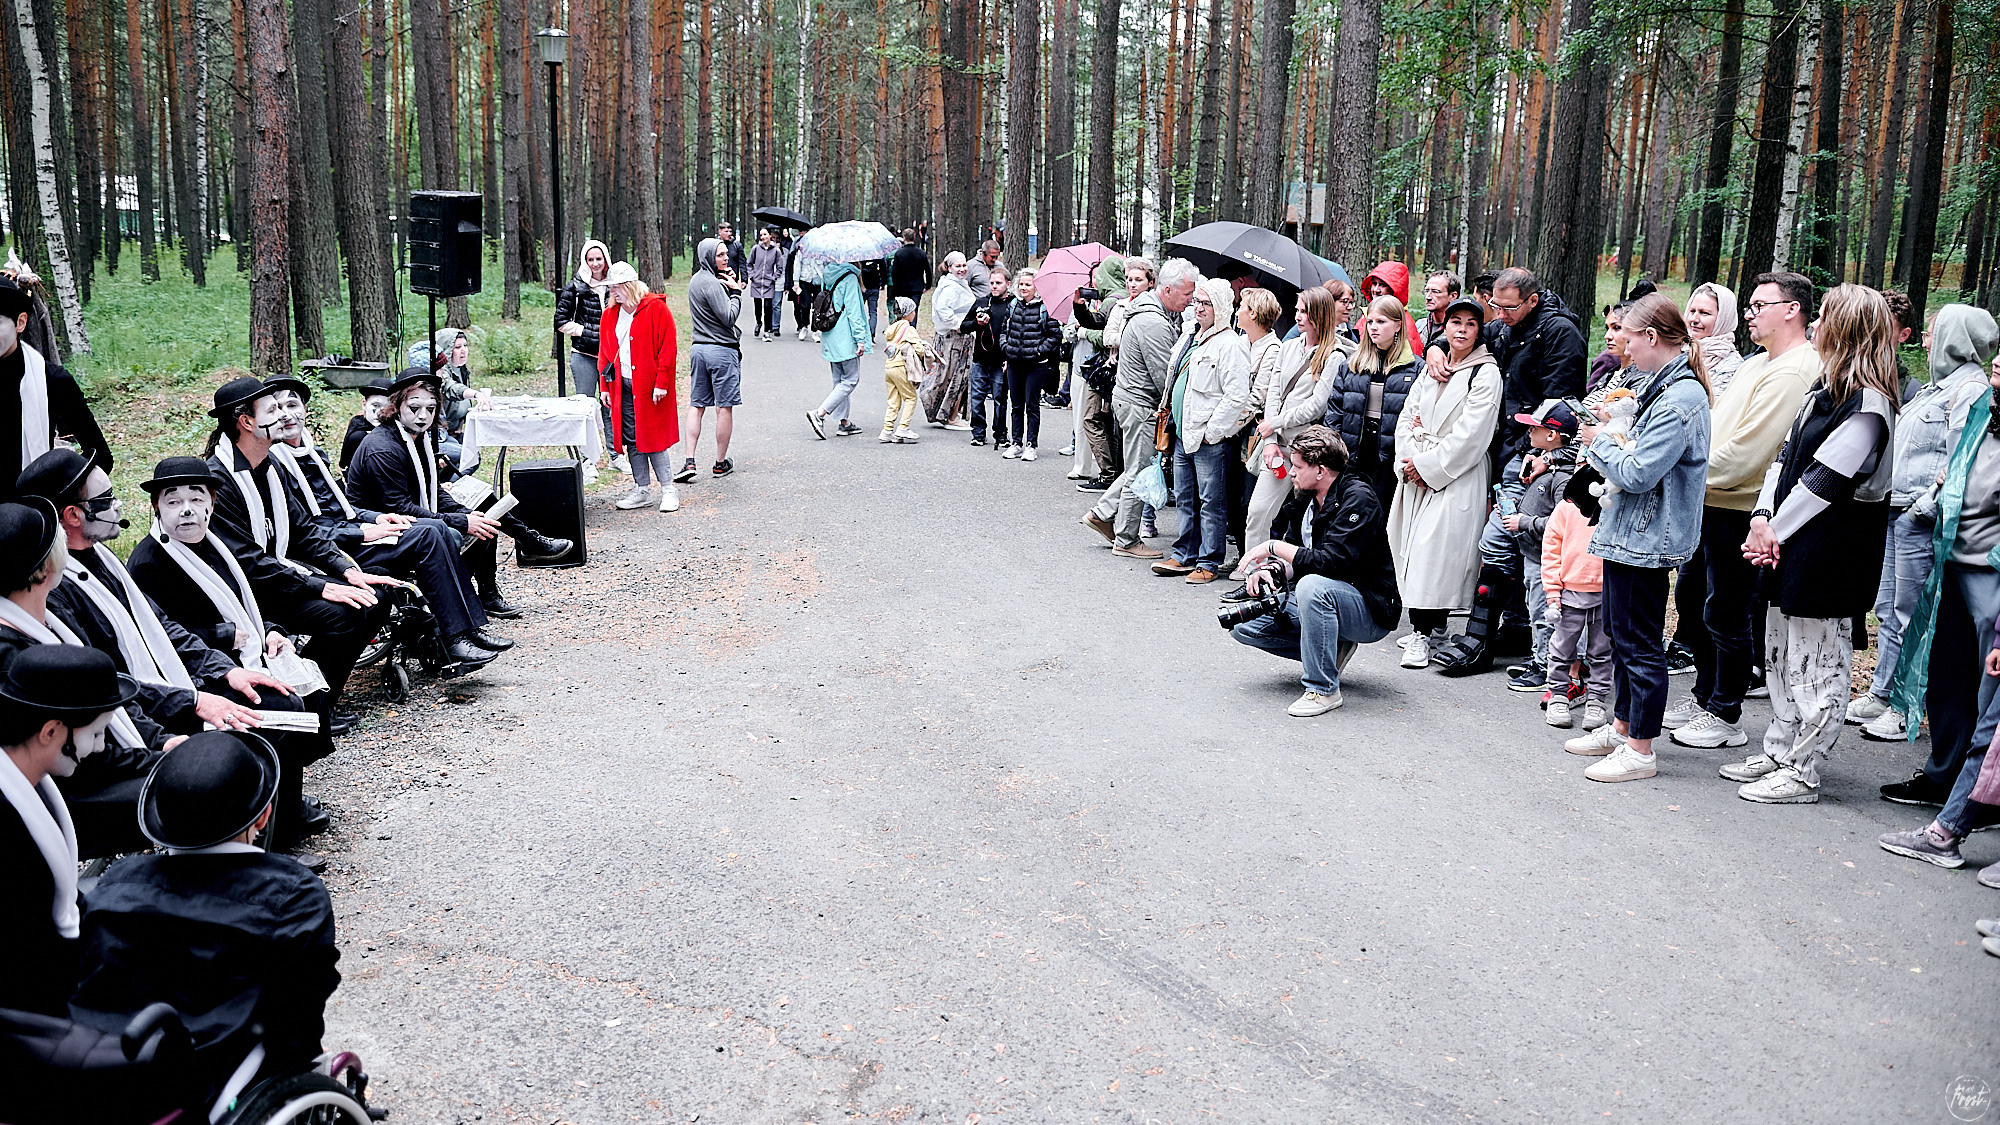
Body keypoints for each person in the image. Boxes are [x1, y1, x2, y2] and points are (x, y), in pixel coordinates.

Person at [69, 730, 340, 1100]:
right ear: (262, 817)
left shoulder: (117, 881)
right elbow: (300, 1003)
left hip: (107, 1060)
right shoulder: (294, 894)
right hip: (213, 1067)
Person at [1729, 285, 1900, 803]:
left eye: (1825, 316)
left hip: (1832, 552)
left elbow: (1826, 479)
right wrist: (1762, 517)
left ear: (1848, 329)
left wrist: (1771, 529)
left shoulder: (1869, 405)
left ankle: (1804, 767)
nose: (1817, 324)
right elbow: (1783, 462)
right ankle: (1781, 746)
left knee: (1818, 659)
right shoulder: (1820, 392)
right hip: (1788, 542)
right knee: (1780, 650)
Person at [1561, 294, 1712, 782]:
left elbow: (1641, 471)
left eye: (1627, 335)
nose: (1621, 345)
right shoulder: (1659, 387)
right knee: (1623, 635)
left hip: (1648, 536)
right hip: (1631, 530)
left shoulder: (1680, 398)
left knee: (1640, 641)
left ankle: (1641, 749)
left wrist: (1597, 441)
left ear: (1650, 337)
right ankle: (1623, 727)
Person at [1667, 272, 1819, 752]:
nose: (1750, 314)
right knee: (1696, 602)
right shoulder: (1759, 363)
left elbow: (1749, 453)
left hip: (1742, 509)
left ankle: (1725, 711)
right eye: (1749, 305)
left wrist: (1681, 473)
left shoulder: (1796, 370)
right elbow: (1714, 429)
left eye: (1760, 305)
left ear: (1792, 309)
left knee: (1727, 612)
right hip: (1710, 501)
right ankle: (1704, 695)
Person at [254, 382, 508, 665]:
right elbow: (303, 531)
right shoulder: (274, 463)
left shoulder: (312, 452)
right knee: (429, 535)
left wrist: (374, 518)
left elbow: (342, 507)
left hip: (349, 530)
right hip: (330, 548)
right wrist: (363, 532)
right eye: (278, 409)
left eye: (293, 406)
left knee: (435, 529)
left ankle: (466, 630)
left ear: (305, 411)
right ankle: (454, 638)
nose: (287, 415)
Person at [0, 497, 186, 863]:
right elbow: (72, 758)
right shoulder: (12, 656)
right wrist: (156, 758)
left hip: (92, 760)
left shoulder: (50, 619)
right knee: (195, 788)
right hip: (63, 791)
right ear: (43, 572)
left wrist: (161, 742)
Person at [197, 376, 393, 722]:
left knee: (374, 597)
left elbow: (303, 530)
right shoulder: (219, 480)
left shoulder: (270, 466)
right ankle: (311, 706)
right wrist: (322, 585)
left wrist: (346, 569)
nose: (283, 417)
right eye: (272, 410)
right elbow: (247, 562)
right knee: (344, 616)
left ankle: (322, 694)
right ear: (246, 422)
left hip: (280, 577)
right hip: (247, 593)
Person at [1850, 306, 1999, 743]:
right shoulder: (1935, 388)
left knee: (1913, 613)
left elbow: (1961, 462)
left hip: (1922, 520)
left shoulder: (1969, 390)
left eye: (1934, 333)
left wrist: (1924, 508)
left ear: (1955, 338)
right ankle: (1882, 691)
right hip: (1897, 513)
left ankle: (1904, 706)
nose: (1926, 340)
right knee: (1888, 608)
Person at [346, 371, 574, 605]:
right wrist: (462, 521)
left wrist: (465, 514)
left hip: (409, 512)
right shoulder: (384, 448)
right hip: (380, 525)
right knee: (463, 528)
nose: (423, 416)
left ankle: (498, 578)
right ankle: (460, 601)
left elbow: (432, 491)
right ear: (396, 405)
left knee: (483, 510)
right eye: (414, 408)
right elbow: (400, 508)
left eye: (430, 409)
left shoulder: (416, 437)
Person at [1228, 426, 1402, 717]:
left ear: (1320, 471)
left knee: (1311, 586)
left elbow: (1332, 562)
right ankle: (1329, 650)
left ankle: (1323, 689)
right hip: (1324, 598)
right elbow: (1295, 550)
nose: (1291, 472)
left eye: (1297, 466)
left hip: (1370, 608)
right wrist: (1271, 571)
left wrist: (1272, 547)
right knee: (1244, 625)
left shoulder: (1359, 498)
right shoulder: (1305, 497)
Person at [0, 644, 135, 1016]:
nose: (100, 747)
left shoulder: (26, 777)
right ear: (50, 731)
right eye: (96, 733)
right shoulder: (7, 825)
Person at [1386, 296, 1502, 669]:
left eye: (1471, 324)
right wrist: (1409, 458)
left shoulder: (1485, 374)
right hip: (1416, 465)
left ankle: (1423, 633)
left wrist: (1430, 465)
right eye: (1456, 323)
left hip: (1455, 474)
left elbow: (1472, 434)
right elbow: (1408, 414)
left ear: (1479, 330)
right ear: (1446, 326)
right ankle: (1427, 628)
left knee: (1433, 554)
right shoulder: (1433, 367)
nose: (1462, 330)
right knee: (1410, 548)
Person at [1082, 258, 1199, 559]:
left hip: (1132, 401)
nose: (1191, 301)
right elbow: (1165, 377)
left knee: (1136, 467)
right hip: (1139, 405)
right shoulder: (1153, 323)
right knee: (1139, 471)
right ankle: (1126, 539)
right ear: (1169, 290)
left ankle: (1102, 513)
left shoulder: (1153, 314)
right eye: (1187, 294)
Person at [1239, 288, 1344, 584]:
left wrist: (1277, 423)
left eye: (1303, 311)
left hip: (1308, 451)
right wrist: (1270, 439)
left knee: (1303, 522)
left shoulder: (1334, 354)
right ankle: (1253, 576)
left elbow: (1317, 404)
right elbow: (1274, 391)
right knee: (1258, 512)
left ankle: (1301, 580)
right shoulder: (1288, 347)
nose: (1297, 316)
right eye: (1296, 310)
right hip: (1278, 446)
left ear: (1319, 315)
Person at [1154, 278, 1249, 584]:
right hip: (1183, 432)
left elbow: (1236, 395)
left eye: (1206, 303)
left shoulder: (1231, 344)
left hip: (1208, 438)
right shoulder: (1192, 336)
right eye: (1197, 301)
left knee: (1211, 501)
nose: (1199, 308)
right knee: (1184, 497)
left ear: (1221, 307)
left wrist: (1214, 431)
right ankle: (1184, 554)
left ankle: (1209, 560)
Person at [0, 275, 110, 497]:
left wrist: (61, 488)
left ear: (20, 323)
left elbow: (100, 454)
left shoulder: (52, 380)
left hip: (33, 513)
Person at [1505, 398, 1587, 696]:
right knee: (1534, 609)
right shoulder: (1544, 464)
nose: (1528, 433)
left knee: (1545, 613)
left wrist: (1524, 522)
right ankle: (1540, 657)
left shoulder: (1563, 477)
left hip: (1547, 560)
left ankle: (1546, 667)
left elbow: (1559, 523)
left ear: (1552, 435)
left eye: (1534, 428)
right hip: (1533, 555)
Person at [595, 263, 684, 511]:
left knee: (653, 438)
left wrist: (662, 383)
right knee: (631, 438)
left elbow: (668, 349)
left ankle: (668, 489)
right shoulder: (610, 314)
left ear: (630, 286)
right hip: (621, 386)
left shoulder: (656, 308)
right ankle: (641, 489)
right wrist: (604, 387)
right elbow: (604, 354)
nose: (613, 293)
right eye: (611, 288)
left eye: (617, 288)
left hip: (650, 387)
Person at [1324, 294, 1422, 504]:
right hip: (1353, 454)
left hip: (1390, 458)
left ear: (1397, 326)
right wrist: (1336, 452)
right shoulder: (1351, 365)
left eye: (1381, 321)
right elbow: (1334, 412)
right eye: (1370, 322)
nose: (1373, 327)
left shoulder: (1416, 369)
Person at [1541, 467, 1612, 728]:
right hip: (1570, 592)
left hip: (1605, 593)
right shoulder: (1565, 509)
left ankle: (1596, 701)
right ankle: (1558, 696)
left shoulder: (1612, 506)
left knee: (1602, 653)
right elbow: (1550, 551)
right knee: (1561, 649)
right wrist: (1552, 592)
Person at [681, 239, 743, 486]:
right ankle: (719, 463)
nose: (725, 258)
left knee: (697, 405)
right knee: (723, 407)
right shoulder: (712, 284)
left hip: (699, 350)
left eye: (726, 254)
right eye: (719, 255)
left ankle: (689, 460)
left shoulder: (696, 280)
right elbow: (728, 317)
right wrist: (736, 291)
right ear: (708, 257)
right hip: (721, 351)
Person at [1069, 255, 1130, 488]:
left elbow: (1098, 327)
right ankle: (1114, 473)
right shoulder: (1127, 298)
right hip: (1118, 370)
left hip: (1107, 370)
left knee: (1092, 419)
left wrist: (1079, 311)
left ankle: (1108, 474)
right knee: (1109, 422)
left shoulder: (1112, 300)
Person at [998, 269, 1063, 461]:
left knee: (1032, 406)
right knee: (1016, 405)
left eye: (1028, 284)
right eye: (1021, 284)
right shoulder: (1013, 305)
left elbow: (1055, 336)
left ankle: (1031, 445)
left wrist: (1038, 351)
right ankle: (1016, 443)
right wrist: (1006, 347)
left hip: (1036, 365)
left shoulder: (1045, 308)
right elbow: (1004, 330)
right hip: (1014, 363)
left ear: (1036, 287)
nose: (1024, 288)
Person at [557, 239, 615, 450]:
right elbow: (561, 321)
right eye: (590, 259)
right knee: (585, 407)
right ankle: (587, 457)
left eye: (598, 259)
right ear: (584, 261)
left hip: (610, 357)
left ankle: (615, 454)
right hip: (584, 355)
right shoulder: (576, 286)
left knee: (610, 406)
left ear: (606, 259)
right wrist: (588, 332)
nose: (595, 264)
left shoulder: (614, 284)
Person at [806, 260, 872, 439]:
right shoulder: (850, 277)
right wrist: (860, 339)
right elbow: (854, 312)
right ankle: (819, 413)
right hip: (845, 336)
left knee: (839, 381)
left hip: (831, 334)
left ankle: (844, 423)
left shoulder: (829, 273)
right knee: (851, 380)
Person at [962, 265, 1015, 449]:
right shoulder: (981, 302)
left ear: (1008, 284)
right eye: (992, 283)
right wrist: (977, 323)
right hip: (980, 359)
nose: (994, 286)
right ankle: (978, 433)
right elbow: (963, 326)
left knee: (1000, 399)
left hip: (1001, 360)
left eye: (998, 283)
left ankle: (1001, 433)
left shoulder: (1013, 304)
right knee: (977, 397)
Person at [925, 252, 977, 429]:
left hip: (958, 337)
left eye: (964, 265)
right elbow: (943, 310)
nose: (962, 269)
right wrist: (959, 325)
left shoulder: (957, 283)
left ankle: (948, 413)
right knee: (956, 377)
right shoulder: (950, 287)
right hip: (954, 339)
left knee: (952, 376)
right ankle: (950, 416)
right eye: (958, 266)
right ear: (949, 267)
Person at [880, 297, 932, 443]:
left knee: (893, 400)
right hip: (901, 367)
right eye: (913, 311)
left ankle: (887, 430)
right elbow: (919, 349)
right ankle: (903, 428)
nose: (914, 313)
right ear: (907, 312)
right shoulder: (908, 329)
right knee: (910, 398)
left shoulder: (892, 327)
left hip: (889, 367)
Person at [1684, 282, 1745, 397]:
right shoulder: (1677, 349)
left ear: (1723, 318)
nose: (1694, 319)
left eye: (1704, 313)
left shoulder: (1731, 366)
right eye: (1692, 311)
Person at [1357, 262, 1423, 346]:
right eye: (1374, 284)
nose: (1376, 290)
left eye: (1383, 285)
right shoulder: (1367, 314)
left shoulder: (1405, 323)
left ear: (1395, 290)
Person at [339, 377, 392, 472]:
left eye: (387, 408)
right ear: (364, 404)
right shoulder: (358, 435)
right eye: (376, 405)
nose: (380, 412)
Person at [748, 228, 787, 342]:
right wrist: (752, 276)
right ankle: (759, 323)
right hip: (757, 282)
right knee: (758, 307)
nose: (763, 237)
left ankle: (766, 331)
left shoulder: (776, 251)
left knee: (768, 308)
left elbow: (780, 267)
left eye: (765, 234)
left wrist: (773, 278)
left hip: (768, 284)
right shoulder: (755, 249)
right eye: (761, 235)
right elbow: (749, 264)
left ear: (770, 235)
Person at [890, 227, 932, 319]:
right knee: (913, 311)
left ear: (904, 238)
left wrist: (896, 287)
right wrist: (928, 285)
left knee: (902, 312)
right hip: (917, 287)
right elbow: (928, 271)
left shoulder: (899, 254)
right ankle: (912, 330)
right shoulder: (921, 253)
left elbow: (894, 273)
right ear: (914, 237)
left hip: (902, 288)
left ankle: (903, 330)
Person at [786, 240, 820, 342]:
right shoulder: (802, 249)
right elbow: (797, 265)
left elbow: (826, 264)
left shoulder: (821, 250)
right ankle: (804, 326)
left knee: (817, 307)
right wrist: (796, 281)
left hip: (819, 279)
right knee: (805, 305)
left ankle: (815, 330)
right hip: (805, 279)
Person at [1418, 272, 1460, 350]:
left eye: (1435, 292)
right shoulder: (1420, 326)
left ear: (1453, 296)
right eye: (1427, 291)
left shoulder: (1459, 332)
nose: (1428, 297)